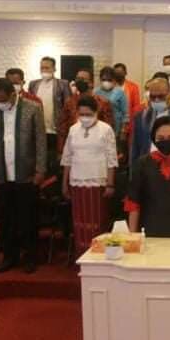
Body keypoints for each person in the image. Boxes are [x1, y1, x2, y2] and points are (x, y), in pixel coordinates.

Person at [0, 78, 47, 273]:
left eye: (3, 100)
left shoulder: (33, 108)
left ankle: (30, 257)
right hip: (2, 174)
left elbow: (40, 141)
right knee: (6, 218)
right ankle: (9, 256)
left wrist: (40, 170)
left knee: (27, 218)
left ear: (13, 94)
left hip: (26, 174)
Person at [61, 95, 118, 258]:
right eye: (81, 114)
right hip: (77, 182)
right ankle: (82, 257)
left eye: (88, 114)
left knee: (97, 223)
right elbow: (67, 158)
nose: (84, 118)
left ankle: (98, 259)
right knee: (79, 223)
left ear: (96, 112)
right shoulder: (73, 129)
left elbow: (112, 158)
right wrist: (64, 184)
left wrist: (110, 184)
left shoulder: (106, 129)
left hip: (98, 183)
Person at [130, 78, 170, 164]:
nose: (156, 100)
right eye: (153, 97)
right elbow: (135, 149)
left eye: (161, 96)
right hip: (148, 166)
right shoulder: (141, 117)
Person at [28, 56, 71, 179]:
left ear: (54, 69)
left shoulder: (63, 84)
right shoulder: (33, 84)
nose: (44, 70)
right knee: (38, 160)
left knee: (53, 160)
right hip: (37, 129)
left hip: (55, 129)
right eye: (42, 68)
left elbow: (68, 106)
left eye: (47, 67)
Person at [57, 68, 114, 154]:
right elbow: (62, 129)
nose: (79, 81)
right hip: (74, 148)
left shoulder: (102, 103)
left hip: (96, 149)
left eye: (82, 79)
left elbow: (108, 129)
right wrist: (61, 151)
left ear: (91, 83)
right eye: (77, 78)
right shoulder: (69, 102)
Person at [94, 66, 129, 141]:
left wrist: (123, 131)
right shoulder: (95, 92)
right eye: (104, 80)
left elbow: (125, 113)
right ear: (100, 79)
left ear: (114, 80)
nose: (106, 82)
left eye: (109, 80)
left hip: (116, 128)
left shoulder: (120, 92)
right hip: (98, 127)